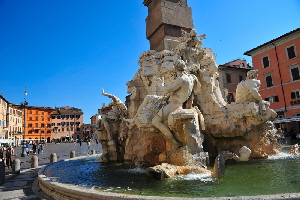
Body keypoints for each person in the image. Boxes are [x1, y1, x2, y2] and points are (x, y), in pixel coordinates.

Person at [153, 59, 200, 146]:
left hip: (174, 104)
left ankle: (174, 142)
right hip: (179, 103)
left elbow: (166, 90)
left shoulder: (181, 79)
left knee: (155, 121)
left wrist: (160, 84)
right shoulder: (190, 77)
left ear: (175, 68)